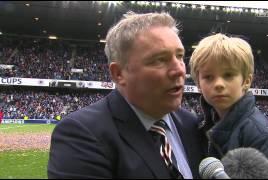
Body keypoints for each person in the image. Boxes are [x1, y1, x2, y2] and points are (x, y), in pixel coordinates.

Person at [48, 11, 205, 179]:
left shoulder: (193, 125)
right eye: (160, 59)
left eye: (180, 56)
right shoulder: (82, 134)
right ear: (118, 74)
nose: (180, 70)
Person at [189, 33, 268, 178]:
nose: (218, 84)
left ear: (247, 81)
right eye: (208, 77)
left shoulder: (259, 136)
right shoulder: (200, 126)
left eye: (228, 75)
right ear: (198, 83)